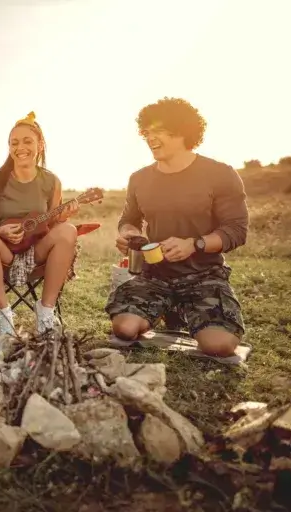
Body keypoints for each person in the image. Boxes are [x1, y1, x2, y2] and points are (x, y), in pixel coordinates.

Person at [105, 97, 248, 357]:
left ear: (182, 130)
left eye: (159, 131)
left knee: (218, 345)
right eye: (147, 132)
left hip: (203, 275)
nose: (150, 137)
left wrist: (194, 244)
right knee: (124, 329)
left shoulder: (220, 174)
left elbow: (236, 230)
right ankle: (166, 308)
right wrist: (129, 234)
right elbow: (129, 219)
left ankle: (185, 310)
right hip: (153, 274)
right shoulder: (139, 178)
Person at [0, 112, 79, 336]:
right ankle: (4, 314)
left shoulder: (51, 181)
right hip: (2, 254)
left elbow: (52, 221)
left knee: (68, 230)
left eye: (27, 141)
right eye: (14, 142)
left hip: (36, 253)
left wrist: (64, 216)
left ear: (40, 144)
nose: (21, 147)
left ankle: (46, 313)